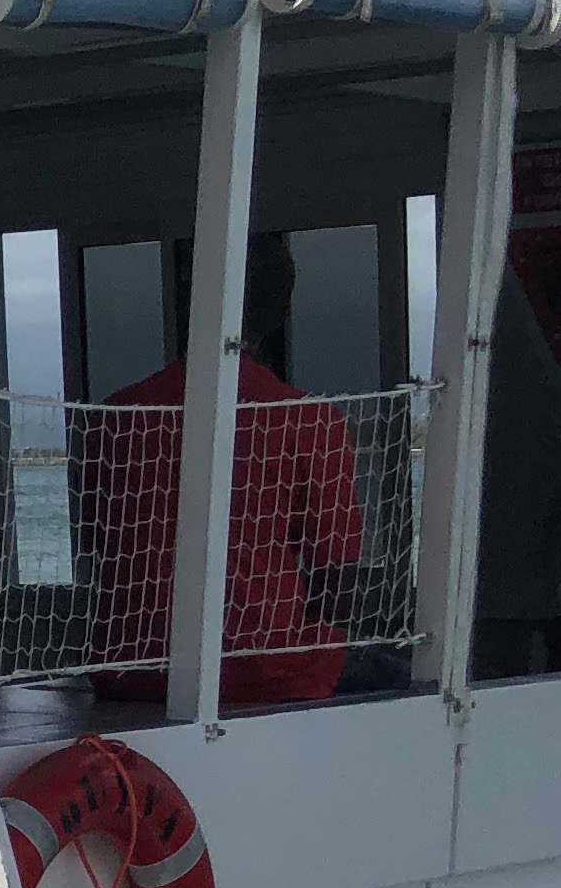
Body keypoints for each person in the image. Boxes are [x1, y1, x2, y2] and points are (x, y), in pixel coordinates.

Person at [76, 235, 369, 709]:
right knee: (404, 672)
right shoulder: (309, 419)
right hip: (269, 671)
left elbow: (100, 547)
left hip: (129, 670)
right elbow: (338, 578)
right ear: (280, 313)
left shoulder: (118, 416)